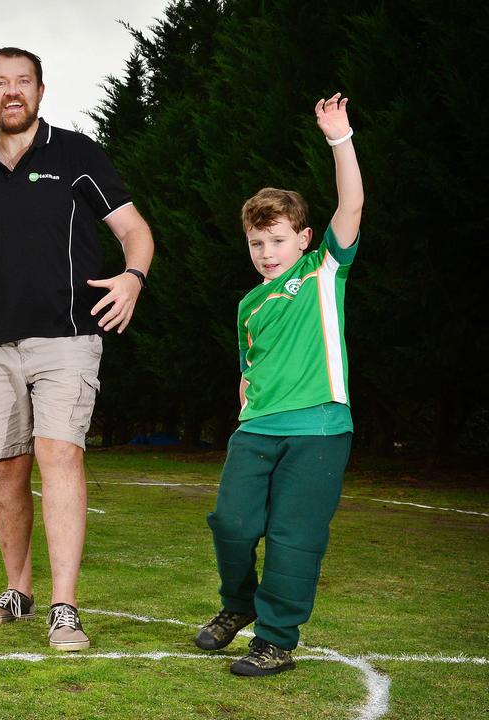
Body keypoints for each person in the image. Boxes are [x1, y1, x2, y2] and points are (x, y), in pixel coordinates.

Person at [0, 47, 154, 651]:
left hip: (67, 338)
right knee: (3, 470)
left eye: (23, 82)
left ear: (41, 92)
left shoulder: (77, 153)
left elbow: (134, 230)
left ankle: (64, 608)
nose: (11, 91)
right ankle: (17, 591)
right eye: (0, 83)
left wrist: (133, 277)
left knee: (60, 456)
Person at [193, 93, 362, 676]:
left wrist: (339, 139)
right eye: (257, 244)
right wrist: (246, 385)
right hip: (257, 430)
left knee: (294, 538)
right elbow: (250, 361)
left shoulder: (324, 271)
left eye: (279, 240)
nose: (268, 253)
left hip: (318, 428)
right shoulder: (247, 303)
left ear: (304, 238)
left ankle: (276, 638)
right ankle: (236, 605)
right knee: (231, 523)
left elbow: (353, 204)